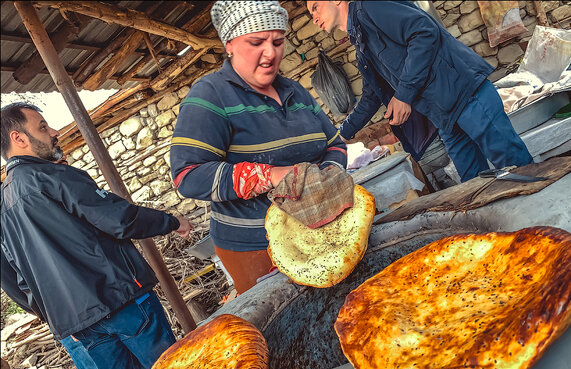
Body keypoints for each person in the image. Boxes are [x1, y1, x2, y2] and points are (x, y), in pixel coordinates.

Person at [1, 102, 193, 369]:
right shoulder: (54, 177)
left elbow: (18, 279)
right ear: (19, 138)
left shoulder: (4, 208)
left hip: (79, 326)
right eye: (42, 126)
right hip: (122, 302)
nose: (53, 132)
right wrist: (171, 221)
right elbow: (120, 219)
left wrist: (56, 314)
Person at [170, 0, 348, 294]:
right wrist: (272, 176)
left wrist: (325, 178)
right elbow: (188, 176)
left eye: (278, 42)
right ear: (229, 44)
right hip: (256, 246)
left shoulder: (295, 91)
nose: (271, 53)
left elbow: (334, 144)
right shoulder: (210, 96)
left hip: (321, 227)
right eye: (256, 42)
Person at [307, 1, 534, 182]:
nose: (314, 18)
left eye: (315, 7)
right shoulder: (360, 41)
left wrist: (404, 95)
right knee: (476, 184)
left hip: (465, 95)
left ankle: (549, 226)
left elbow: (424, 32)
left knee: (516, 167)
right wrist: (339, 136)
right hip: (443, 116)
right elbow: (372, 95)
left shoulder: (372, 7)